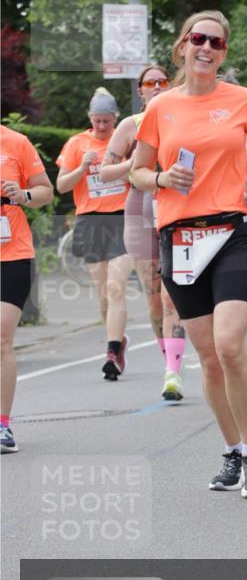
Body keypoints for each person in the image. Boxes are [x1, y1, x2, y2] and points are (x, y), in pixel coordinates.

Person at [132, 10, 247, 498]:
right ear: (182, 45)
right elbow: (136, 171)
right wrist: (159, 179)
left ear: (222, 53)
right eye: (198, 38)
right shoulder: (161, 108)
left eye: (216, 43)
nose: (206, 48)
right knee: (209, 359)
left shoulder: (241, 100)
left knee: (231, 344)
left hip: (235, 230)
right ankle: (233, 451)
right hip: (181, 237)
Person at [99, 65, 187, 402]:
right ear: (141, 91)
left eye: (163, 81)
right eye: (150, 83)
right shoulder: (129, 126)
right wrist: (134, 163)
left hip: (177, 207)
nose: (157, 87)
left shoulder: (182, 116)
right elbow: (106, 172)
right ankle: (168, 359)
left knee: (171, 297)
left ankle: (173, 374)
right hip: (140, 208)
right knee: (153, 300)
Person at [56, 89, 132, 380]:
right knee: (103, 293)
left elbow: (136, 175)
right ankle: (118, 339)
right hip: (89, 220)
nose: (102, 127)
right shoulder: (77, 144)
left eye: (107, 122)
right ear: (90, 118)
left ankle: (112, 352)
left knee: (115, 287)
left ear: (115, 119)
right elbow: (62, 186)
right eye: (97, 121)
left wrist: (120, 168)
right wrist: (82, 167)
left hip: (122, 218)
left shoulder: (123, 142)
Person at [1, 125, 54, 453]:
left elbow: (46, 190)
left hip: (12, 255)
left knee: (1, 337)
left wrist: (23, 196)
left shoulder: (15, 142)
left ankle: (2, 424)